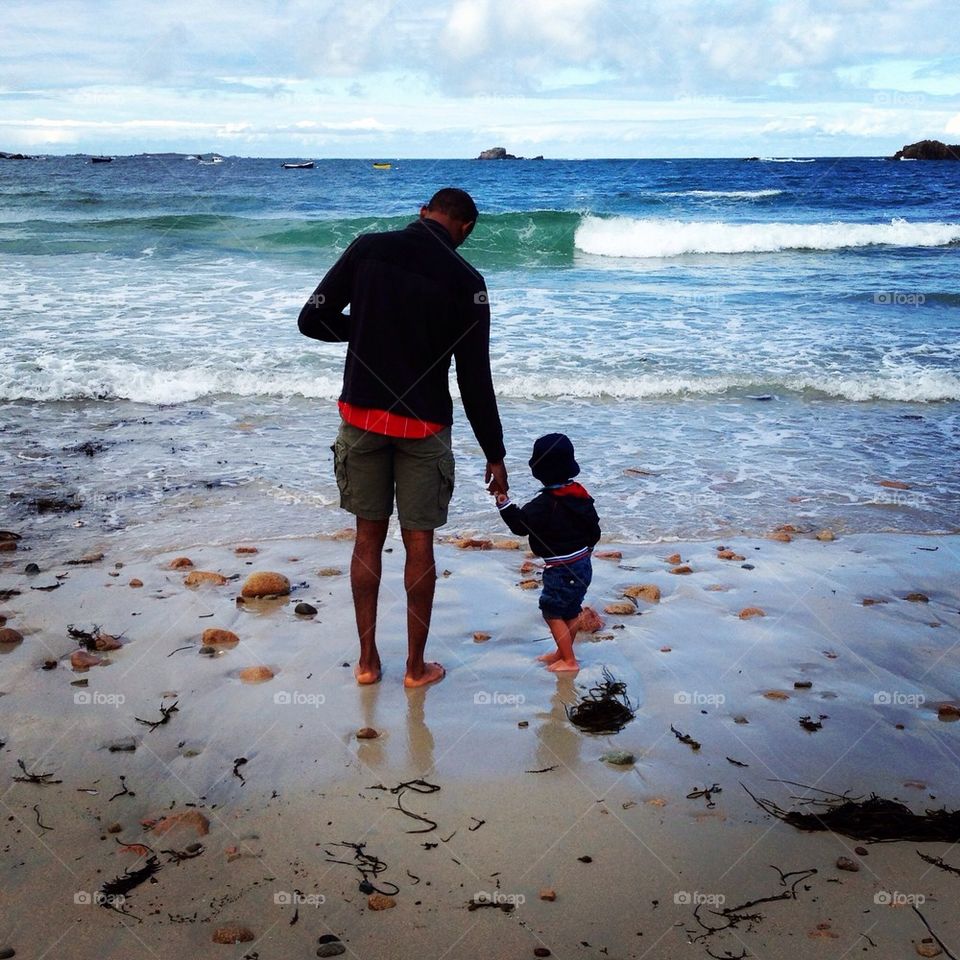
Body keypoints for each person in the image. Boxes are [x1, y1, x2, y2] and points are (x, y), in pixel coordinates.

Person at [298, 188, 508, 688]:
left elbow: (312, 319)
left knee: (367, 538)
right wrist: (494, 453)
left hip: (362, 418)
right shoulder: (467, 282)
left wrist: (368, 329)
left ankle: (368, 664)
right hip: (424, 427)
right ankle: (415, 669)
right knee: (420, 545)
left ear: (421, 213)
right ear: (466, 229)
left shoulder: (368, 247)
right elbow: (475, 379)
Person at [494, 433, 600, 673]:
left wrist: (504, 504)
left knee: (552, 611)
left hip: (561, 569)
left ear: (538, 471)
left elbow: (520, 526)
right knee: (571, 610)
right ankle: (563, 653)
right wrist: (589, 550)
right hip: (583, 564)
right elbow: (594, 527)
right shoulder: (580, 495)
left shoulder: (545, 504)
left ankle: (570, 660)